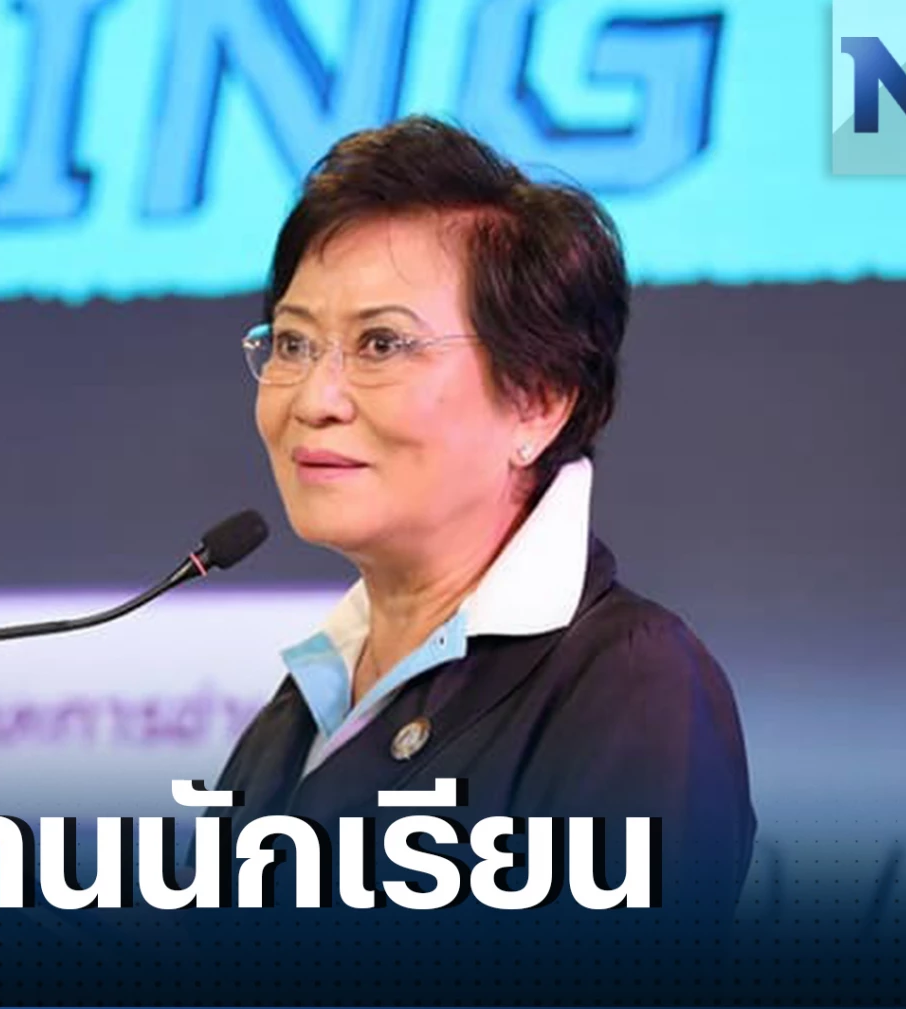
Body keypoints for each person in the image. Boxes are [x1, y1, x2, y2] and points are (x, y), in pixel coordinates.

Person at [212, 116, 756, 902]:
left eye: (381, 345)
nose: (313, 399)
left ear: (538, 401)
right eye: (294, 345)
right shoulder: (301, 707)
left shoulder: (630, 684)